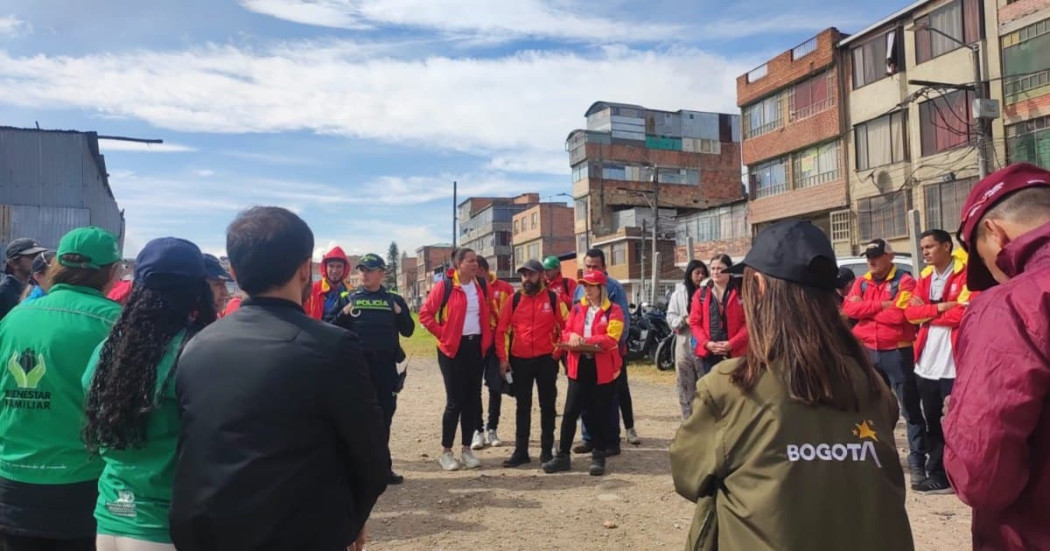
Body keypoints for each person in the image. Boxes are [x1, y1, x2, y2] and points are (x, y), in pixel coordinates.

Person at [670, 220, 914, 551]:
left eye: (746, 283)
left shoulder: (730, 386)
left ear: (759, 289)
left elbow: (689, 476)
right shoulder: (872, 385)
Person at [169, 207, 388, 551]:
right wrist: (350, 521)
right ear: (305, 270)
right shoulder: (331, 347)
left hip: (206, 529)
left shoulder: (197, 346)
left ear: (234, 271)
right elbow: (371, 458)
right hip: (299, 532)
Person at [82, 237, 216, 551]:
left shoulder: (108, 351)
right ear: (197, 289)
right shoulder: (193, 351)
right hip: (163, 526)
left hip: (110, 517)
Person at [944, 163, 1050, 550]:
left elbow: (983, 476)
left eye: (985, 260)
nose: (995, 273)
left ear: (995, 232)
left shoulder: (1013, 304)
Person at [0, 227, 122, 551]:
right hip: (81, 488)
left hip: (12, 486)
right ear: (110, 272)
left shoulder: (13, 319)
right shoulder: (117, 323)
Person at [842, 238, 925, 486]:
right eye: (868, 257)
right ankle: (878, 460)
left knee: (909, 409)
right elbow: (849, 310)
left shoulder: (905, 281)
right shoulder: (862, 282)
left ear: (889, 256)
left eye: (876, 256)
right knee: (871, 407)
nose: (871, 261)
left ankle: (917, 463)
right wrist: (882, 305)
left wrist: (866, 309)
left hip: (897, 352)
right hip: (868, 351)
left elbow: (900, 315)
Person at [334, 253, 414, 485]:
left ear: (382, 273)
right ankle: (356, 468)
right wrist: (343, 312)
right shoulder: (347, 297)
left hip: (385, 369)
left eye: (369, 270)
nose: (364, 274)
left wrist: (399, 313)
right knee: (356, 419)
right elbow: (330, 327)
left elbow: (408, 330)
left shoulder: (394, 299)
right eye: (361, 270)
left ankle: (382, 468)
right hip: (357, 370)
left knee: (384, 419)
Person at [902, 229, 970, 496]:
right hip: (926, 364)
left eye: (930, 247)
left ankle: (962, 475)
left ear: (946, 246)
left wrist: (927, 313)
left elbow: (965, 313)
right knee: (932, 421)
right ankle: (938, 473)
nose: (925, 252)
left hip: (953, 364)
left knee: (958, 423)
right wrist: (941, 307)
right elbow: (910, 313)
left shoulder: (965, 273)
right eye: (922, 248)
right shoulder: (925, 277)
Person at [544, 270, 624, 477]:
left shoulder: (614, 311)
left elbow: (612, 338)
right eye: (585, 286)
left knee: (600, 413)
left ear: (600, 288)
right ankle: (562, 455)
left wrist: (585, 341)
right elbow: (567, 330)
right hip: (578, 366)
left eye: (591, 286)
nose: (587, 290)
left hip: (602, 367)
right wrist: (572, 337)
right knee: (570, 411)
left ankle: (598, 455)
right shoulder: (578, 309)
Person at [418, 248, 492, 471]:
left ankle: (467, 449)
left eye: (476, 260)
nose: (475, 263)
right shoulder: (446, 286)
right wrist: (444, 333)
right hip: (452, 350)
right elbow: (425, 314)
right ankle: (446, 452)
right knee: (455, 401)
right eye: (470, 261)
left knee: (472, 399)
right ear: (458, 264)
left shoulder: (481, 285)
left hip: (475, 347)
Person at [496, 259, 568, 468]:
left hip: (547, 360)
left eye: (531, 274)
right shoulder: (513, 300)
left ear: (541, 276)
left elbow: (567, 326)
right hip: (520, 360)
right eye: (524, 275)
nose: (527, 279)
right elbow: (501, 331)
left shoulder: (554, 299)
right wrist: (503, 359)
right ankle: (521, 451)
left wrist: (557, 353)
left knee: (547, 406)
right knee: (522, 406)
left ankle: (546, 451)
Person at [573, 248, 637, 455]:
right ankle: (589, 438)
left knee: (609, 399)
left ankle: (611, 441)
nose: (591, 270)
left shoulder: (614, 288)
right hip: (584, 355)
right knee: (585, 398)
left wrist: (612, 349)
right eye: (588, 266)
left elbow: (623, 323)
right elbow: (575, 319)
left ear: (604, 268)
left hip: (609, 354)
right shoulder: (578, 289)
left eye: (595, 266)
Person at [471, 256, 511, 450]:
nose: (473, 277)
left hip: (497, 344)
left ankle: (492, 428)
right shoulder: (470, 288)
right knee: (473, 388)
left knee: (495, 387)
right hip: (477, 344)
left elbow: (512, 316)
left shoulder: (504, 288)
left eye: (476, 272)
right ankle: (477, 430)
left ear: (484, 271)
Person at [688, 254, 748, 376]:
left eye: (720, 268)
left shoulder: (742, 292)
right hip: (710, 353)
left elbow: (749, 323)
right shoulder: (701, 294)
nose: (716, 272)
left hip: (736, 352)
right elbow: (694, 323)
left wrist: (732, 343)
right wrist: (706, 343)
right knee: (712, 390)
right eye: (713, 268)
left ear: (729, 270)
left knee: (736, 390)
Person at [666, 259, 710, 420]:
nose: (700, 276)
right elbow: (670, 317)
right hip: (684, 342)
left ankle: (705, 422)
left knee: (705, 384)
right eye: (697, 273)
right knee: (685, 385)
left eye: (703, 273)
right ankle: (688, 422)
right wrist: (684, 320)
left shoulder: (710, 292)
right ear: (689, 275)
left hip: (704, 344)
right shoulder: (679, 294)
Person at [0, 238, 47, 319]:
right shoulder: (3, 292)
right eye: (32, 257)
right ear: (13, 263)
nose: (38, 260)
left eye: (39, 256)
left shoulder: (42, 287)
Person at [305, 246, 353, 323]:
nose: (334, 271)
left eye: (339, 266)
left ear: (345, 269)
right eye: (331, 266)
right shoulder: (312, 290)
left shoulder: (352, 292)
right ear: (325, 267)